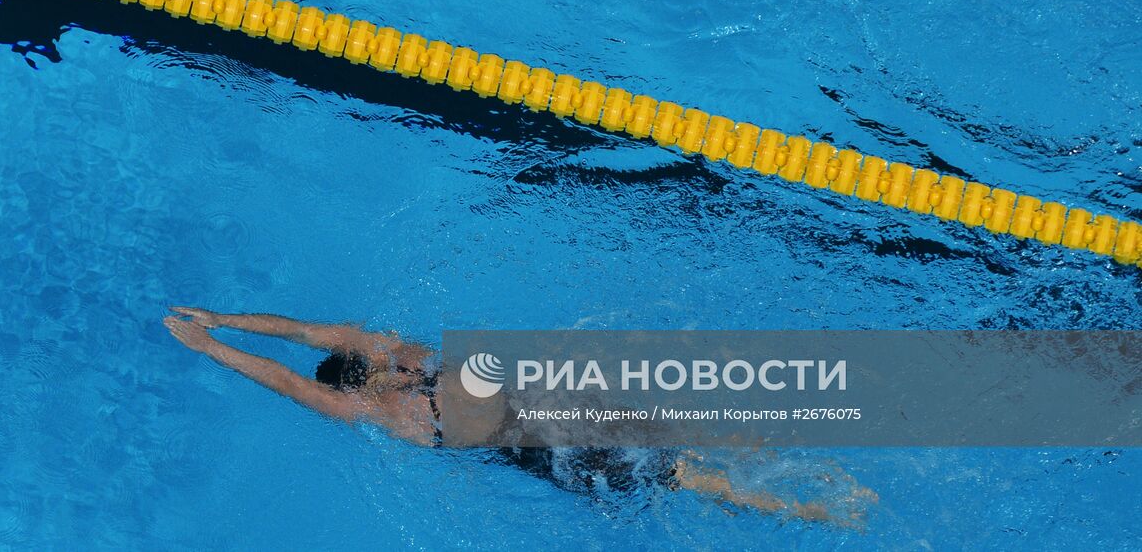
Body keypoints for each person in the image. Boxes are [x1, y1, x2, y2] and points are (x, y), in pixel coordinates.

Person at [164, 307, 875, 525]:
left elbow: (294, 374)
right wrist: (220, 323)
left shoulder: (376, 410)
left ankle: (806, 510)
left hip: (538, 434)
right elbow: (307, 348)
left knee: (678, 471)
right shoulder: (399, 357)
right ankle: (793, 483)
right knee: (674, 448)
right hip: (549, 405)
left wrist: (215, 343)